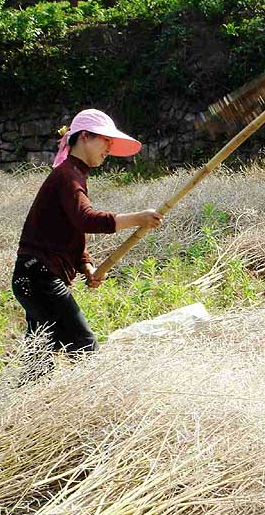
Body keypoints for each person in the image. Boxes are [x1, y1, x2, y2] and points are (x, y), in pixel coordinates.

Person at [12, 108, 162, 382]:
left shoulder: (72, 174)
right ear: (84, 136)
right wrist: (138, 218)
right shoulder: (67, 176)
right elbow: (86, 220)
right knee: (84, 345)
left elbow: (70, 231)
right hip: (39, 276)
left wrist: (87, 266)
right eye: (105, 140)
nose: (110, 148)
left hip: (32, 277)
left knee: (39, 355)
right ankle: (98, 405)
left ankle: (25, 415)